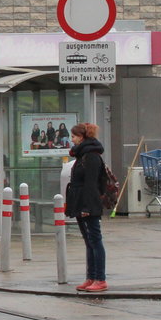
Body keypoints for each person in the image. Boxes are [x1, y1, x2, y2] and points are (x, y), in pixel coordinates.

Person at [65, 122, 108, 293]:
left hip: (88, 204)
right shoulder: (81, 155)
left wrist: (87, 207)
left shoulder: (90, 157)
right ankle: (91, 277)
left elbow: (92, 184)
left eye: (74, 136)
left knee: (95, 240)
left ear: (82, 137)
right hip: (81, 202)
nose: (72, 139)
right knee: (89, 242)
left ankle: (100, 278)